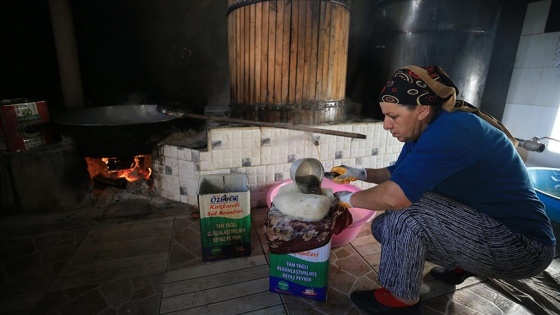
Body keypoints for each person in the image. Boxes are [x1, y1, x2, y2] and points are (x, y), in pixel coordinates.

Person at [331, 65, 556, 315]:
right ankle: (462, 265)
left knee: (404, 214)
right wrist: (360, 173)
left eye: (393, 116)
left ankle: (399, 300)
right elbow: (399, 173)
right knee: (383, 227)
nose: (386, 124)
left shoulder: (455, 129)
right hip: (485, 225)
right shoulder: (426, 129)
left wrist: (346, 199)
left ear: (422, 109)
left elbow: (396, 196)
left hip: (521, 246)